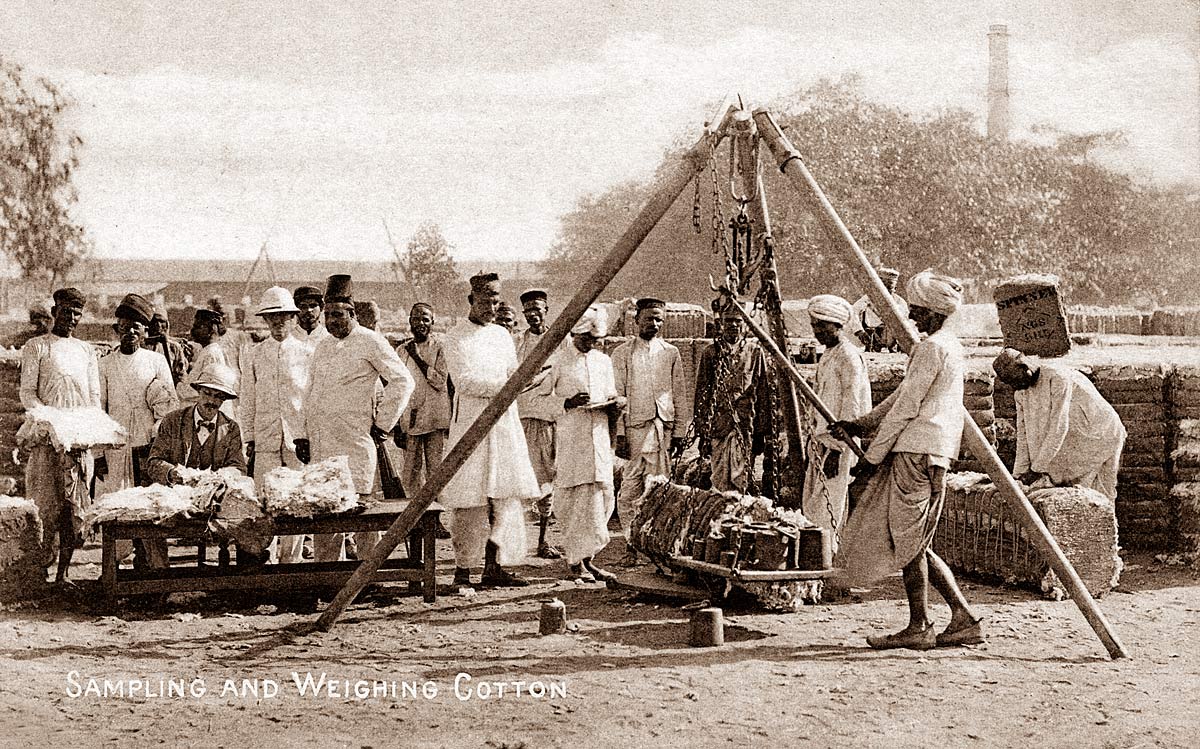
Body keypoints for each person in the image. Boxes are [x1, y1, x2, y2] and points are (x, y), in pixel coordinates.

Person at [831, 270, 983, 650]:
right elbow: (901, 396)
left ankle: (919, 627)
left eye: (916, 310)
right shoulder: (946, 346)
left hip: (917, 451)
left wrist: (873, 454)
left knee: (910, 544)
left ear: (934, 312)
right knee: (917, 541)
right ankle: (962, 618)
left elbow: (907, 408)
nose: (912, 317)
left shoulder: (933, 348)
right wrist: (862, 423)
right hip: (932, 450)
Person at [295, 275, 414, 563]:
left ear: (353, 314)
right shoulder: (323, 346)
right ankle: (328, 578)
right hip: (322, 447)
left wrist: (382, 425)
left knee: (363, 519)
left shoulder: (371, 341)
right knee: (325, 515)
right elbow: (309, 392)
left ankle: (367, 579)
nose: (332, 321)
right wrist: (302, 434)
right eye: (328, 316)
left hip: (356, 446)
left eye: (338, 315)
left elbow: (403, 381)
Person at [442, 272, 542, 587]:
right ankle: (462, 570)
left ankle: (494, 566)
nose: (491, 306)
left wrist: (524, 382)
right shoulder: (455, 336)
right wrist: (510, 386)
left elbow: (513, 374)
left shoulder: (502, 336)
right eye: (485, 301)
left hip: (504, 424)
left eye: (496, 300)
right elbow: (465, 382)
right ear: (472, 300)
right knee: (469, 497)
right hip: (471, 422)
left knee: (504, 494)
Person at [18, 287, 100, 583]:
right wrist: (51, 421)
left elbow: (93, 396)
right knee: (44, 506)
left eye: (77, 314)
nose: (72, 319)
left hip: (76, 440)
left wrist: (89, 427)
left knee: (72, 507)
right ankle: (39, 571)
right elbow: (28, 393)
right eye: (67, 312)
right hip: (46, 437)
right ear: (55, 312)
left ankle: (63, 573)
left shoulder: (86, 350)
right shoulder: (37, 347)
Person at [147, 363, 254, 565]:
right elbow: (154, 462)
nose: (212, 401)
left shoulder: (230, 428)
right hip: (175, 496)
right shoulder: (172, 421)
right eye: (208, 393)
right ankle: (159, 579)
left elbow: (239, 467)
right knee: (149, 523)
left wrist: (221, 477)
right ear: (198, 392)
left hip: (214, 499)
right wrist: (172, 473)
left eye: (219, 397)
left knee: (249, 514)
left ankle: (242, 579)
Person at [611, 297, 690, 566]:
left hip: (663, 429)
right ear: (636, 321)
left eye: (659, 320)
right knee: (630, 490)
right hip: (634, 429)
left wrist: (679, 431)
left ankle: (656, 547)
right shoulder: (622, 353)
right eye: (648, 319)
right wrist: (620, 433)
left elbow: (679, 393)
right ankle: (631, 544)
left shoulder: (670, 352)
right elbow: (617, 396)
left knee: (659, 489)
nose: (654, 324)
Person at [549, 306, 623, 582]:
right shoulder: (558, 361)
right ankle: (574, 562)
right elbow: (537, 401)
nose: (591, 344)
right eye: (586, 339)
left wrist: (616, 404)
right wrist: (567, 403)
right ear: (574, 333)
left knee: (601, 496)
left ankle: (589, 559)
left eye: (596, 340)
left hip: (600, 434)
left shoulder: (603, 362)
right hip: (572, 437)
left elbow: (611, 394)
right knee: (576, 500)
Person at [993, 348, 1126, 500]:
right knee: (1072, 498)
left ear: (1025, 368)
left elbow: (1059, 427)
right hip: (1075, 441)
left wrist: (1036, 470)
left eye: (1014, 380)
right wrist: (1018, 475)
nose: (1014, 387)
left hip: (1102, 435)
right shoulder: (1021, 392)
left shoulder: (1057, 377)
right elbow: (1023, 436)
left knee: (1099, 496)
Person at [242, 287, 312, 564]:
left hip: (298, 439)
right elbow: (248, 398)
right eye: (272, 318)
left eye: (283, 317)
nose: (278, 323)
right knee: (265, 501)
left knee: (295, 502)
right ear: (266, 321)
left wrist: (308, 435)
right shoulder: (256, 354)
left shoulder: (307, 353)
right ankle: (265, 564)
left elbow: (311, 398)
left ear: (293, 318)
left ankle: (291, 565)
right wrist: (249, 436)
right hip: (266, 438)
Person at [801, 295, 871, 555]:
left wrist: (839, 450)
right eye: (814, 326)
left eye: (822, 326)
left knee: (828, 506)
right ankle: (821, 559)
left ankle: (826, 561)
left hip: (838, 447)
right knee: (814, 505)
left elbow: (852, 409)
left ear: (837, 325)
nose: (817, 332)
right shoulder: (829, 355)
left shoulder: (849, 357)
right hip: (820, 442)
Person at [96, 293, 179, 496]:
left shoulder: (156, 361)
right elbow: (98, 410)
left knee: (148, 499)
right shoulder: (105, 364)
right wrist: (98, 455)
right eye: (125, 327)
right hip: (114, 447)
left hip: (148, 444)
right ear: (117, 330)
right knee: (115, 499)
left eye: (137, 327)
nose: (131, 332)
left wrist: (158, 439)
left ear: (144, 332)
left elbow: (169, 405)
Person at [693, 301, 770, 494]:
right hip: (719, 425)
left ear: (744, 324)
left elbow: (762, 391)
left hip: (745, 426)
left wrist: (761, 431)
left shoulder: (754, 352)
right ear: (721, 324)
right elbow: (702, 392)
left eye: (737, 321)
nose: (733, 326)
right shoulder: (710, 353)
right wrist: (702, 429)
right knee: (719, 479)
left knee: (742, 478)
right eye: (729, 322)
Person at [515, 288, 563, 559]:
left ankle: (545, 540)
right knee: (530, 480)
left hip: (557, 417)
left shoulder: (561, 341)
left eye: (538, 310)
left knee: (554, 478)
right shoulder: (519, 344)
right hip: (528, 419)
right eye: (528, 311)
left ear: (546, 310)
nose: (533, 315)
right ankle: (524, 542)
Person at [178, 308, 236, 420]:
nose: (192, 331)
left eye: (197, 327)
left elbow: (203, 390)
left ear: (211, 330)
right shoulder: (208, 351)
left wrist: (179, 384)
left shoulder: (211, 353)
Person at [849, 267, 909, 353]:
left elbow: (906, 322)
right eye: (882, 287)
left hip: (892, 336)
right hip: (872, 335)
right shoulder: (868, 298)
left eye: (889, 288)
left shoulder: (900, 302)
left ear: (895, 288)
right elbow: (853, 311)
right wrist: (859, 331)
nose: (885, 291)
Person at [143, 304, 191, 386]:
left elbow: (181, 375)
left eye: (162, 321)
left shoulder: (174, 347)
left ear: (167, 324)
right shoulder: (141, 347)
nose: (158, 325)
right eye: (154, 321)